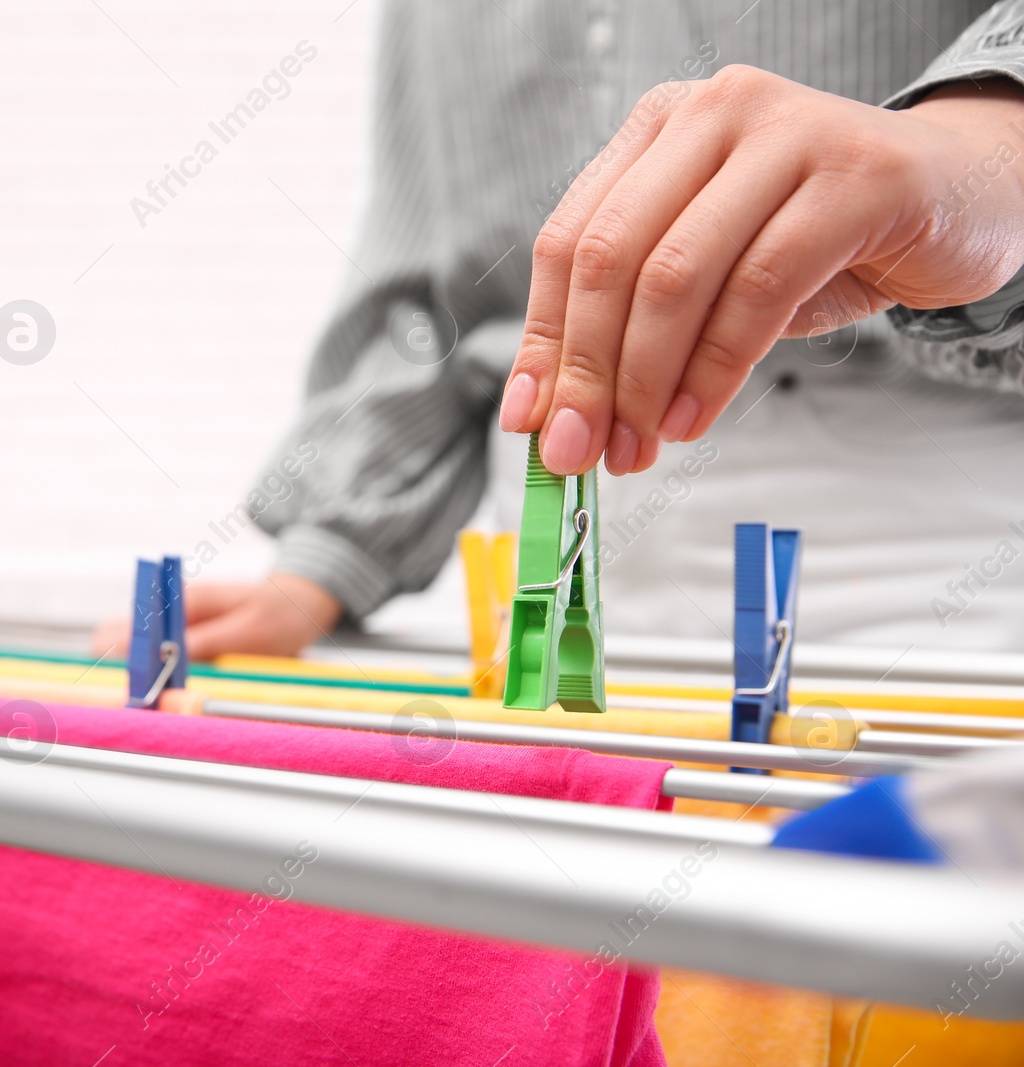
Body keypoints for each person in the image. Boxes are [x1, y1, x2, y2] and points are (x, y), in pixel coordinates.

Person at [97, 1, 1024, 660]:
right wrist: (329, 558)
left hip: (940, 560)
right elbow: (435, 257)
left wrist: (986, 145)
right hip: (548, 566)